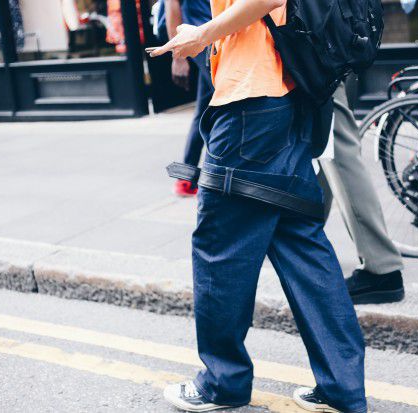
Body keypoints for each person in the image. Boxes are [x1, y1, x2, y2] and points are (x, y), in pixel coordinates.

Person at [150, 0, 367, 411]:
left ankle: (221, 382)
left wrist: (203, 33)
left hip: (250, 105)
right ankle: (342, 387)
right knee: (301, 244)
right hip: (289, 98)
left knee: (220, 247)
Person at [318, 82, 405, 305]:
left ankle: (382, 266)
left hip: (309, 56)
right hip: (316, 56)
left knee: (336, 148)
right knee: (326, 146)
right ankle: (304, 242)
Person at [164, 0, 213, 197]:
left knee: (204, 111)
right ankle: (220, 178)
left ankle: (186, 179)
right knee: (229, 105)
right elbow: (172, 7)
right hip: (203, 40)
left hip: (216, 39)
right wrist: (178, 57)